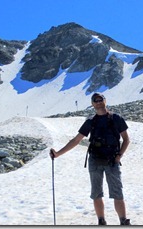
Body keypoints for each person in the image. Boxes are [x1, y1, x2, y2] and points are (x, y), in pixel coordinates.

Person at [50, 92, 131, 226]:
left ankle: (123, 220)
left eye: (100, 99)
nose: (98, 102)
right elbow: (76, 140)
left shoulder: (116, 118)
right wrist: (58, 153)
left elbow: (126, 139)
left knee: (117, 191)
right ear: (92, 104)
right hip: (95, 160)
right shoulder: (90, 121)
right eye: (95, 100)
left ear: (105, 101)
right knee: (97, 192)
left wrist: (119, 155)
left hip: (112, 160)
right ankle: (101, 220)